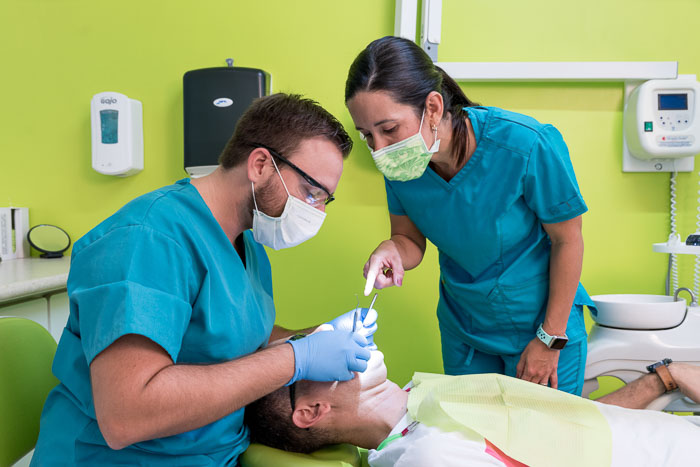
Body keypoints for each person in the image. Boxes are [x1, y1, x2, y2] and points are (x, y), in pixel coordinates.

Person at [31, 93, 379, 466]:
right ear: (260, 165)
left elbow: (230, 338)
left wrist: (318, 336)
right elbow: (126, 416)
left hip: (218, 453)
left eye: (326, 199)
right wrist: (297, 359)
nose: (318, 212)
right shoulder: (147, 240)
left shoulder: (247, 242)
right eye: (312, 193)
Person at [344, 36, 594, 394]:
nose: (379, 149)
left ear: (432, 107)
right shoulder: (401, 167)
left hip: (541, 325)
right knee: (472, 446)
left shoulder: (524, 144)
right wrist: (391, 251)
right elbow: (409, 240)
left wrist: (550, 339)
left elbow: (567, 239)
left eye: (389, 129)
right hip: (465, 329)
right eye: (367, 135)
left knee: (543, 442)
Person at [245, 349, 700, 467]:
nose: (337, 343)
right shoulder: (428, 454)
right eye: (315, 357)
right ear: (311, 410)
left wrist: (665, 377)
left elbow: (571, 430)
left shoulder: (426, 400)